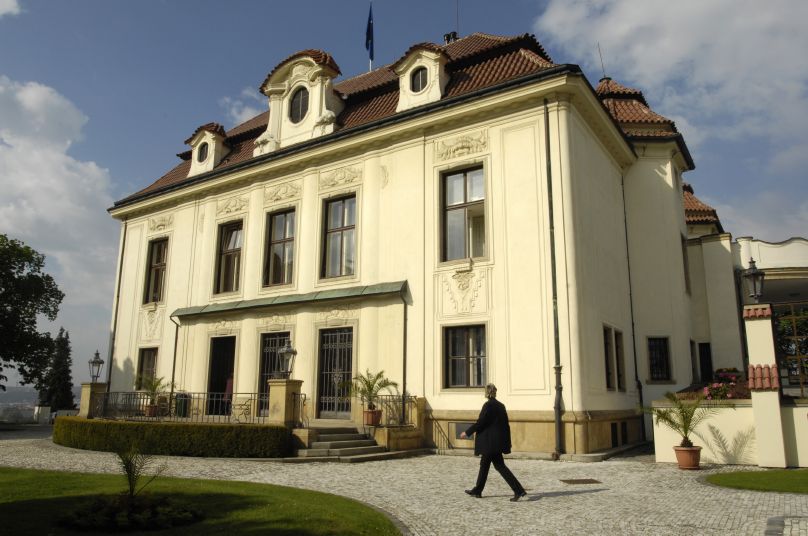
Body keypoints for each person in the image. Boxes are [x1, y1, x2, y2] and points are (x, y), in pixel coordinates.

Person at [460, 383, 528, 501]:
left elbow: (481, 422)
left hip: (488, 443)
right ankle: (478, 490)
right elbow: (506, 426)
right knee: (487, 466)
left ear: (486, 393)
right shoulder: (501, 406)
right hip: (496, 443)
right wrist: (506, 442)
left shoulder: (487, 405)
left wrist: (467, 432)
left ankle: (519, 490)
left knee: (497, 467)